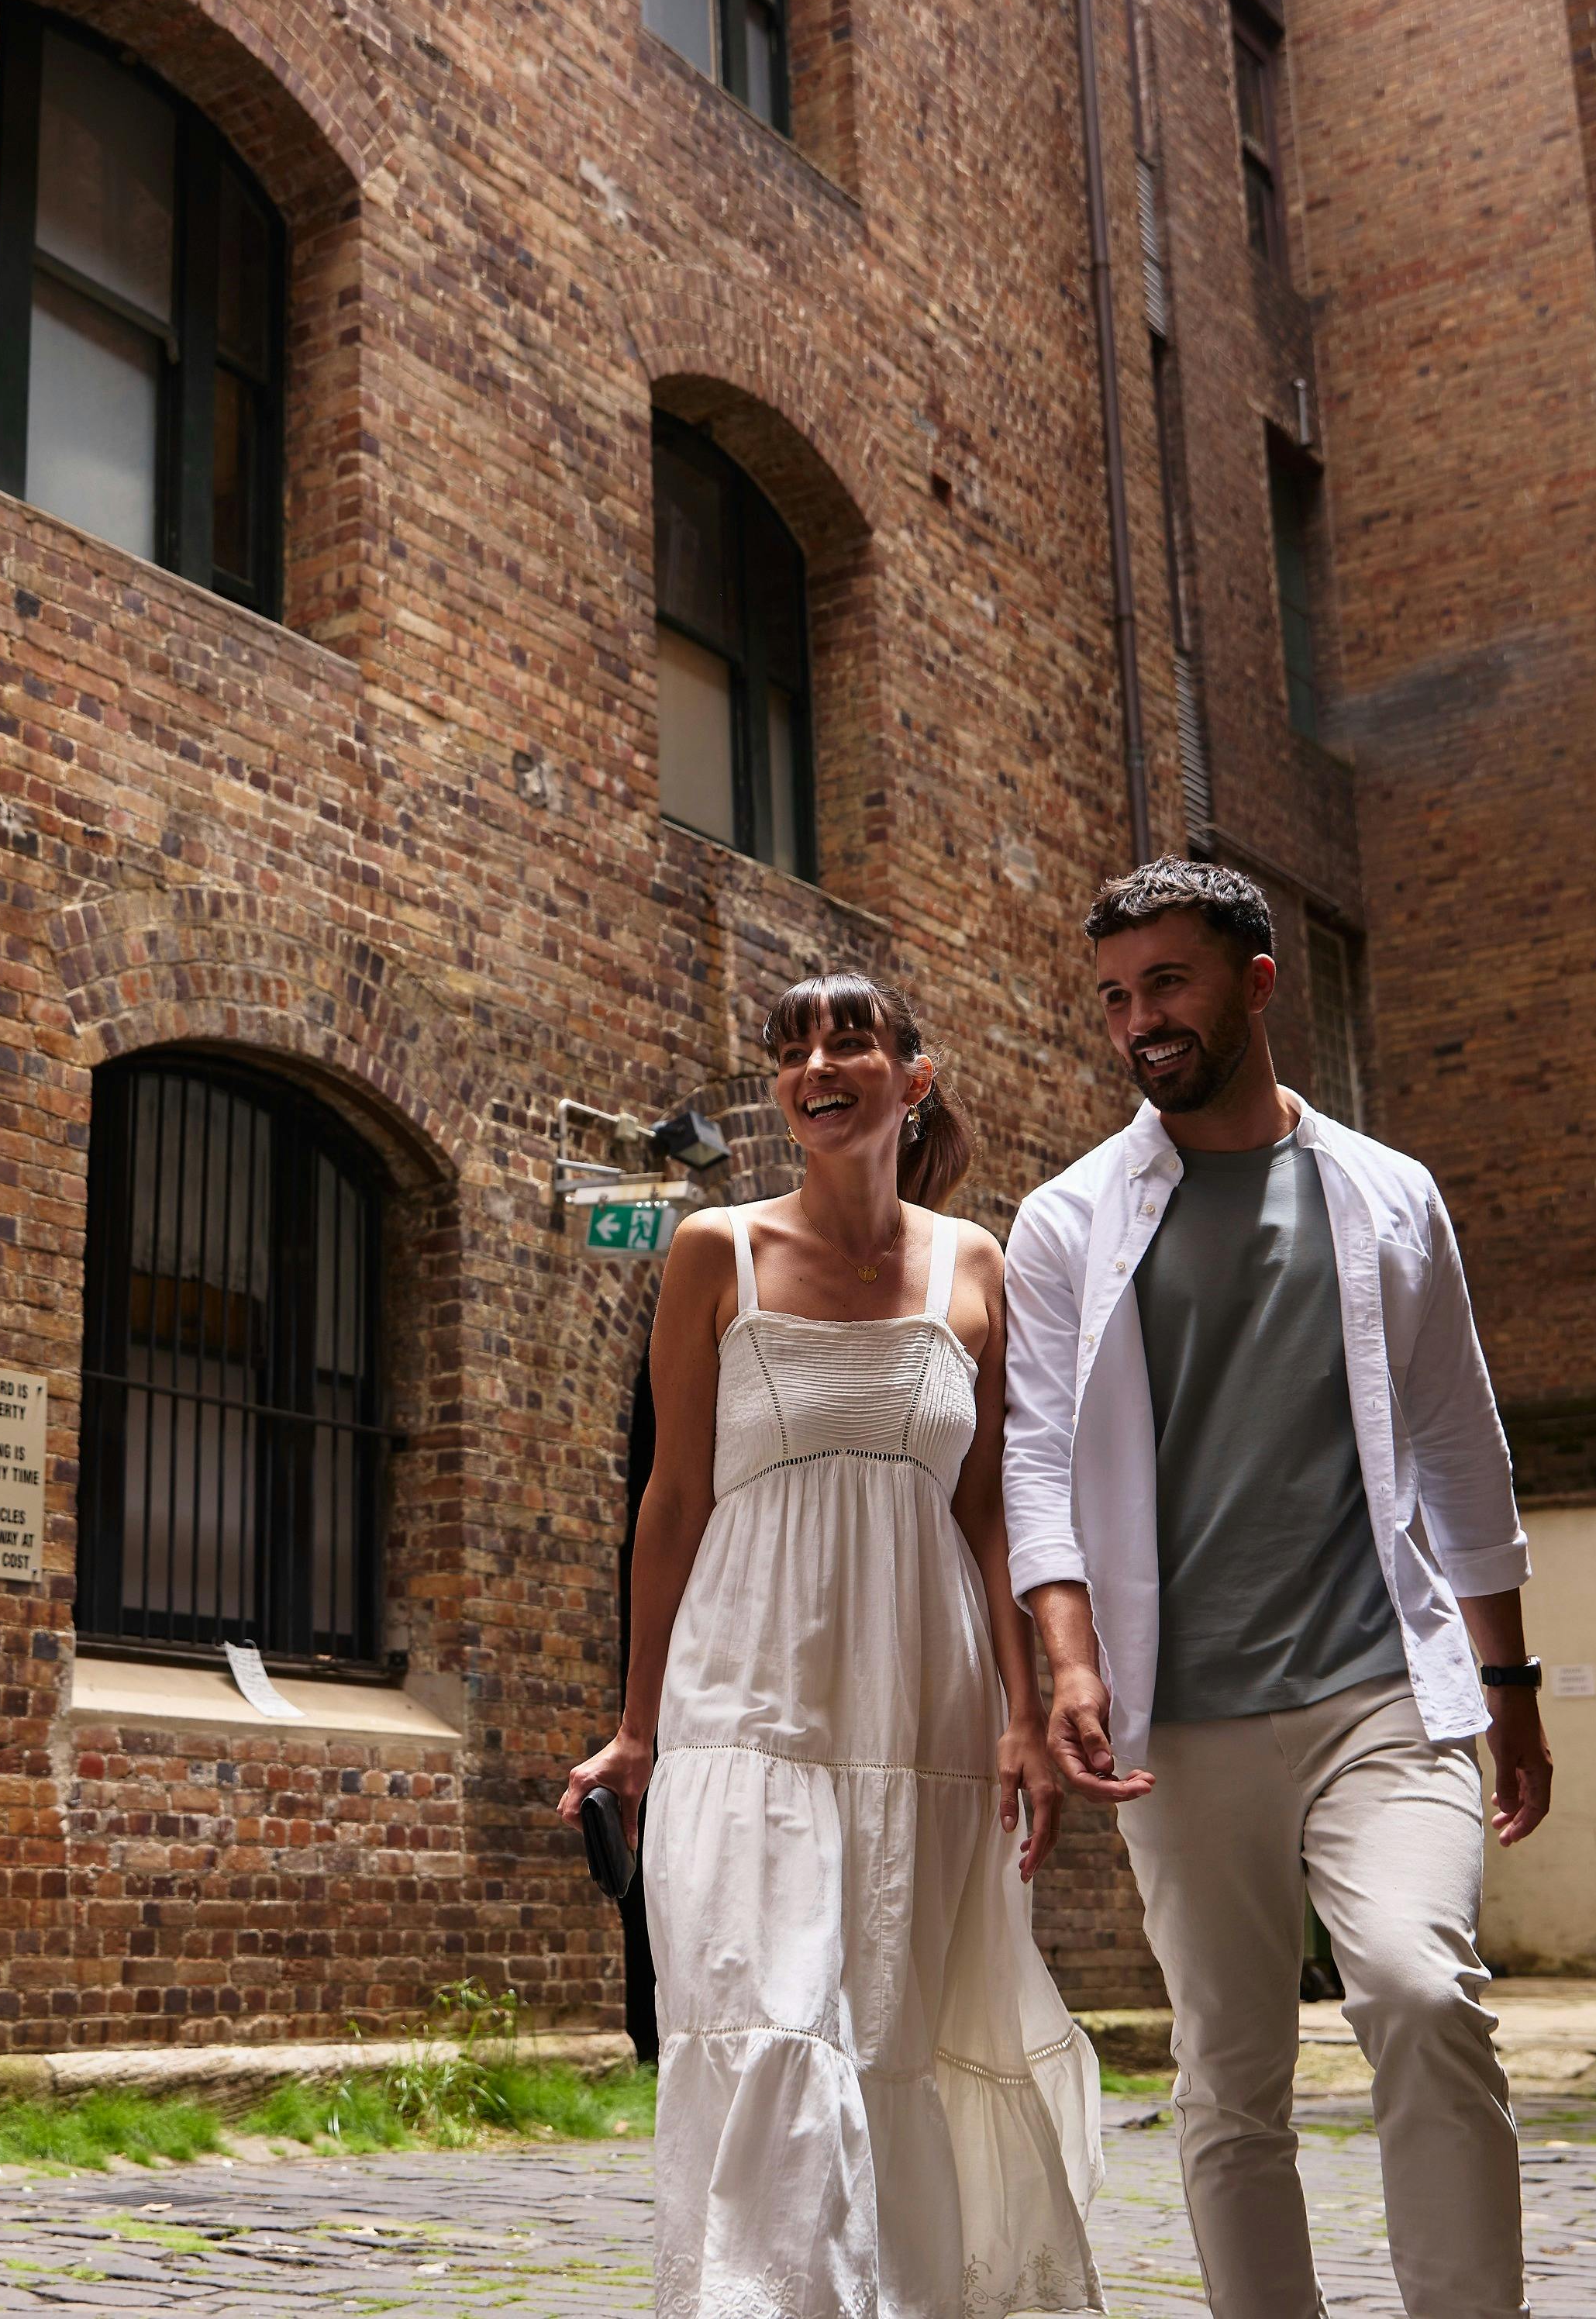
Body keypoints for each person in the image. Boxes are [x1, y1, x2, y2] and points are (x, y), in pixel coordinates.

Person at [1002, 860, 1553, 2319]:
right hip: (1175, 1719)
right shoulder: (1066, 1219)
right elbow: (1037, 1462)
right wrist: (1067, 1661)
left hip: (1380, 1684)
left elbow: (1456, 1441)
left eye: (1167, 985)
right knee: (1228, 2069)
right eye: (1116, 998)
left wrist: (1510, 1684)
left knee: (1423, 1994)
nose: (1139, 1023)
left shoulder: (1387, 1193)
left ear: (1254, 982)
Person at [565, 972, 1101, 2319]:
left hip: (923, 1707)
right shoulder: (711, 1249)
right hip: (743, 1700)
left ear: (908, 1077)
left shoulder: (971, 1263)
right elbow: (671, 1501)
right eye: (790, 1046)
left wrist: (1023, 1716)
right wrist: (638, 1729)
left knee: (893, 2036)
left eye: (847, 1038)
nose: (815, 1062)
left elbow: (985, 1510)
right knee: (768, 2021)